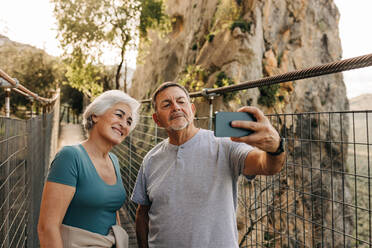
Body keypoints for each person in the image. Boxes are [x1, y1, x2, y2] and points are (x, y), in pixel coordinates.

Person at [131, 82, 285, 248]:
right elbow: (142, 213)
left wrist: (275, 147)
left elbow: (267, 166)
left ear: (192, 110)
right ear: (157, 120)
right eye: (167, 104)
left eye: (181, 102)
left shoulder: (225, 145)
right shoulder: (151, 159)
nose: (176, 107)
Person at [38, 90, 140, 248]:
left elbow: (111, 209)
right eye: (119, 115)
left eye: (129, 121)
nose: (124, 124)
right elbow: (47, 228)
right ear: (95, 115)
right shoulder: (70, 157)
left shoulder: (114, 161)